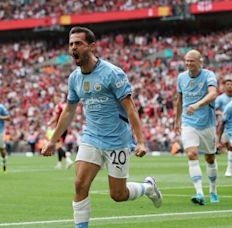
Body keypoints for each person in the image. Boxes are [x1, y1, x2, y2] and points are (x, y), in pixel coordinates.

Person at [41, 26, 162, 228]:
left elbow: (131, 109)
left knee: (118, 194)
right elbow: (69, 111)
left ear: (92, 46)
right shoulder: (74, 78)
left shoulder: (113, 74)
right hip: (91, 137)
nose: (73, 48)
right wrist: (53, 141)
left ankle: (148, 188)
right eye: (71, 44)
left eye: (78, 43)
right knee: (80, 184)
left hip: (117, 141)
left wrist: (140, 141)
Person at [174, 49, 219, 205]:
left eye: (191, 61)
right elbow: (179, 100)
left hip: (207, 123)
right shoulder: (181, 78)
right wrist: (176, 120)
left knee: (210, 158)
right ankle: (199, 192)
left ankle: (213, 190)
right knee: (192, 154)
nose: (188, 63)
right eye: (186, 60)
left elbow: (213, 94)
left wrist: (198, 104)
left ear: (200, 61)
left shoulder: (209, 75)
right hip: (188, 122)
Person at [215, 79, 232, 177]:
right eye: (227, 84)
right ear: (224, 86)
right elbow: (214, 110)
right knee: (226, 145)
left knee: (231, 146)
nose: (229, 86)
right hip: (223, 124)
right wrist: (221, 113)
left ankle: (229, 169)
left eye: (231, 84)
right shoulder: (220, 98)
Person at [48, 94, 74, 169]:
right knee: (59, 146)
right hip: (65, 128)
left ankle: (68, 159)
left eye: (56, 98)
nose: (55, 99)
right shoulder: (65, 105)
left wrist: (49, 122)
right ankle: (59, 163)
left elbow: (56, 117)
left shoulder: (58, 106)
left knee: (58, 146)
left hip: (60, 128)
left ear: (60, 98)